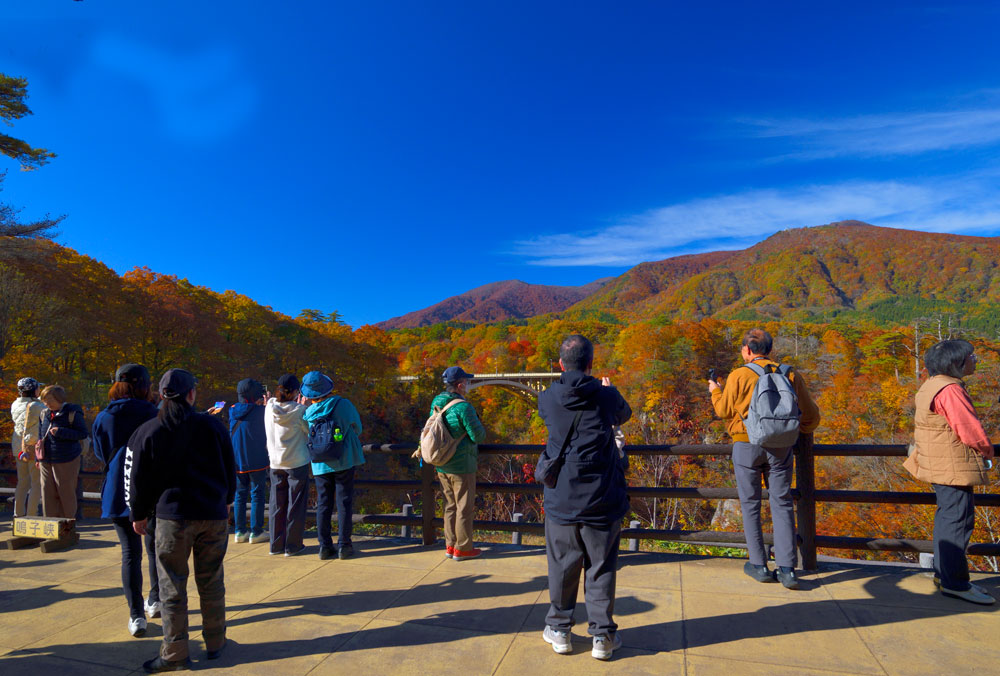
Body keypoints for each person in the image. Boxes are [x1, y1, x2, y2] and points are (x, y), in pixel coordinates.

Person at [127, 368, 236, 672]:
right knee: (212, 581)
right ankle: (215, 642)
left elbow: (138, 479)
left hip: (172, 518)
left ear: (161, 395)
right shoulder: (213, 427)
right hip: (212, 514)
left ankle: (174, 653)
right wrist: (226, 502)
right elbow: (230, 468)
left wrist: (138, 514)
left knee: (172, 587)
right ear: (192, 394)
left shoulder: (149, 430)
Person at [537, 335, 632, 661]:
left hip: (562, 497)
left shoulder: (548, 398)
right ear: (590, 363)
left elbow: (554, 420)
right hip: (603, 498)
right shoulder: (607, 397)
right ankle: (602, 637)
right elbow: (625, 414)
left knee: (562, 566)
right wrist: (607, 388)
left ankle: (561, 630)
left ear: (561, 364)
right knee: (601, 567)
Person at [709, 328, 820, 589]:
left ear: (747, 349)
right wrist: (790, 431)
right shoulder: (789, 373)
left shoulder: (739, 374)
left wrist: (715, 390)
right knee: (781, 503)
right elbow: (811, 417)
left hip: (746, 444)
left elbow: (723, 411)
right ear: (769, 350)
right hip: (781, 448)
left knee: (750, 505)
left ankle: (758, 565)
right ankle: (787, 570)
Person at [904, 339, 996, 605]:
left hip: (938, 461)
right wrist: (987, 451)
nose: (975, 360)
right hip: (952, 464)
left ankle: (945, 576)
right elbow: (969, 429)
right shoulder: (950, 390)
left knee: (948, 519)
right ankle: (956, 583)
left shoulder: (930, 386)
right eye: (970, 356)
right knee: (958, 521)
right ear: (956, 363)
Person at [92, 364, 162, 638]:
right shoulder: (153, 415)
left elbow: (101, 453)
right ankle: (155, 600)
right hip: (149, 488)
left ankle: (136, 616)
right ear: (145, 385)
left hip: (118, 488)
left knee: (129, 554)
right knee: (155, 547)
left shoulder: (104, 417)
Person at [301, 371, 364, 560]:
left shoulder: (307, 413)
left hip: (320, 463)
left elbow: (307, 434)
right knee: (344, 503)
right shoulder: (343, 404)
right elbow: (358, 428)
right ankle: (344, 546)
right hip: (344, 459)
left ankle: (325, 547)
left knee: (323, 504)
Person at [431, 366, 486, 561]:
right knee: (464, 507)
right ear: (460, 384)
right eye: (468, 382)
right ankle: (463, 548)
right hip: (462, 465)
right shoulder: (464, 408)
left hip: (442, 463)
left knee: (449, 505)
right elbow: (477, 435)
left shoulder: (437, 402)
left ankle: (450, 545)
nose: (469, 385)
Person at [264, 373, 311, 556]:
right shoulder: (299, 411)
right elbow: (309, 430)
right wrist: (305, 407)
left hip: (275, 462)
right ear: (296, 392)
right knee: (295, 505)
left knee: (277, 504)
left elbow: (270, 403)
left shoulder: (269, 407)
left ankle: (276, 545)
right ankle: (292, 546)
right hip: (297, 462)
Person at [38, 384, 88, 520]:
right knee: (47, 492)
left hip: (67, 458)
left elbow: (82, 433)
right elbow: (40, 435)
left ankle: (67, 523)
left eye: (50, 400)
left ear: (60, 399)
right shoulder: (44, 414)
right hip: (46, 458)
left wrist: (61, 432)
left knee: (66, 491)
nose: (47, 403)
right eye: (44, 400)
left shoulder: (72, 412)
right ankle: (49, 522)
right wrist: (38, 458)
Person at [230, 378, 269, 544]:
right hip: (257, 459)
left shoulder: (233, 410)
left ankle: (239, 532)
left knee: (239, 495)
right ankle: (256, 532)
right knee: (257, 495)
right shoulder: (261, 411)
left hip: (237, 459)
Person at [10, 376, 44, 518]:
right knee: (36, 483)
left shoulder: (15, 404)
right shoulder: (38, 406)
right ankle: (31, 515)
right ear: (33, 390)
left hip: (18, 447)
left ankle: (18, 515)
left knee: (22, 483)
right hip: (32, 448)